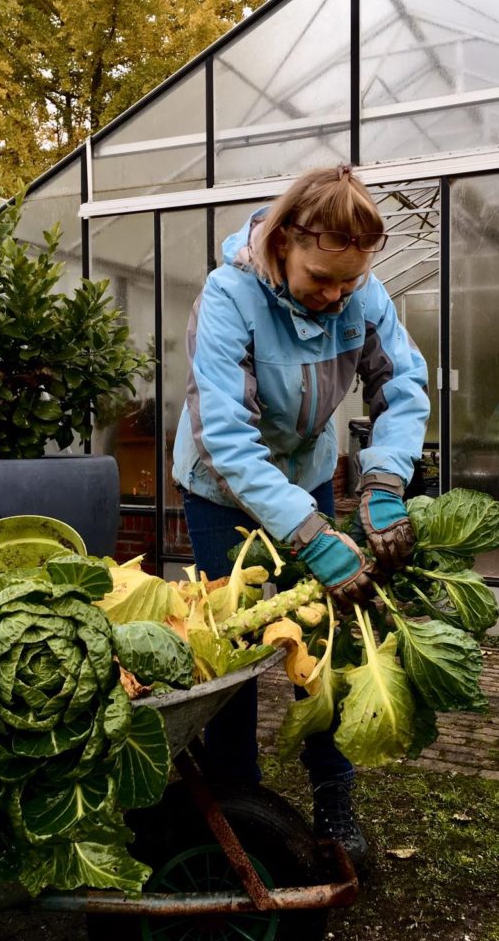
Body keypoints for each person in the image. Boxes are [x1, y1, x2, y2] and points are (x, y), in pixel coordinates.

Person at [172, 165, 429, 865]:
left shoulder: (363, 297)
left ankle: (335, 801)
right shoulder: (229, 298)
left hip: (308, 478)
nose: (336, 295)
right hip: (221, 493)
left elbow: (403, 389)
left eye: (350, 281)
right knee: (234, 652)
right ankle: (239, 806)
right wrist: (311, 534)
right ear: (283, 242)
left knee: (329, 642)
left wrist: (382, 480)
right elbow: (226, 435)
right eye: (321, 277)